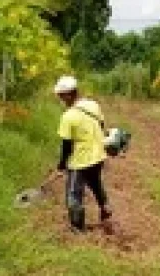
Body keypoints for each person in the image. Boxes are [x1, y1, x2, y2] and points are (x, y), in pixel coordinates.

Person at [53, 75, 112, 232]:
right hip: (99, 155)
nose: (60, 98)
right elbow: (101, 124)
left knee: (73, 195)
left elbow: (67, 145)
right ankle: (106, 207)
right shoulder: (93, 105)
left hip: (81, 161)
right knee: (95, 182)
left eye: (61, 95)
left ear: (68, 94)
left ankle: (77, 227)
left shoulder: (68, 117)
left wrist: (61, 165)